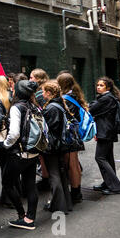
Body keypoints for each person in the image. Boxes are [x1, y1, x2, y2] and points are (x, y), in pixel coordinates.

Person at [2, 80, 40, 230]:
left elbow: (14, 133)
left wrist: (5, 145)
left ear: (17, 92)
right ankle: (30, 218)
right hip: (33, 152)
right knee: (30, 184)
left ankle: (21, 215)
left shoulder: (17, 107)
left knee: (7, 183)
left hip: (19, 153)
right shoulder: (35, 106)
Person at [89, 77, 120, 195]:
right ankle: (108, 183)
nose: (98, 87)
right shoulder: (107, 97)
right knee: (108, 158)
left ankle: (116, 187)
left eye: (101, 85)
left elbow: (91, 109)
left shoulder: (106, 98)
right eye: (97, 85)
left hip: (105, 132)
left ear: (108, 87)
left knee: (100, 158)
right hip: (107, 132)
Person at [41, 81, 73, 214]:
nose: (42, 94)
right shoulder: (59, 104)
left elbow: (51, 128)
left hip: (53, 146)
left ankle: (59, 206)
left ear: (49, 93)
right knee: (60, 173)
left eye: (43, 91)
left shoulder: (51, 108)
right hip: (60, 145)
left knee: (54, 174)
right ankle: (66, 203)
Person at [57, 73, 87, 204]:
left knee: (72, 165)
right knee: (74, 164)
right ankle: (76, 191)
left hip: (70, 137)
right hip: (75, 135)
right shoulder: (75, 96)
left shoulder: (66, 99)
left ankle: (75, 193)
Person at [0, 75, 19, 208]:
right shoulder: (11, 97)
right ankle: (12, 194)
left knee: (4, 168)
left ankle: (8, 198)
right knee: (12, 167)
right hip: (13, 136)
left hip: (1, 138)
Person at [29, 68, 50, 191]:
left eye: (31, 77)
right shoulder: (43, 90)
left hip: (43, 128)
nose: (29, 79)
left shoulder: (39, 94)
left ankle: (46, 180)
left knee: (43, 156)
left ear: (38, 79)